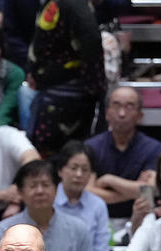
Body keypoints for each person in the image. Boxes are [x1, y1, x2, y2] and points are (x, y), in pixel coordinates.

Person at [26, 0, 105, 154]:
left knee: (47, 151)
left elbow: (38, 43)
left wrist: (33, 70)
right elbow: (92, 42)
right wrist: (96, 87)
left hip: (49, 90)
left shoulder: (54, 3)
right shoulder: (76, 6)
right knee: (69, 155)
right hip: (70, 97)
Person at [85, 86, 161, 218]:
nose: (122, 113)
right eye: (116, 105)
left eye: (129, 106)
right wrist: (134, 191)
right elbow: (87, 193)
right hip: (97, 219)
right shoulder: (91, 146)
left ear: (140, 115)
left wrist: (109, 180)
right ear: (107, 113)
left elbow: (150, 190)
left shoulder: (153, 148)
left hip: (141, 218)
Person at [54, 141, 110, 251]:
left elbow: (101, 249)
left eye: (85, 170)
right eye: (74, 168)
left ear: (91, 174)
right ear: (60, 170)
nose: (79, 174)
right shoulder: (47, 200)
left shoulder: (98, 205)